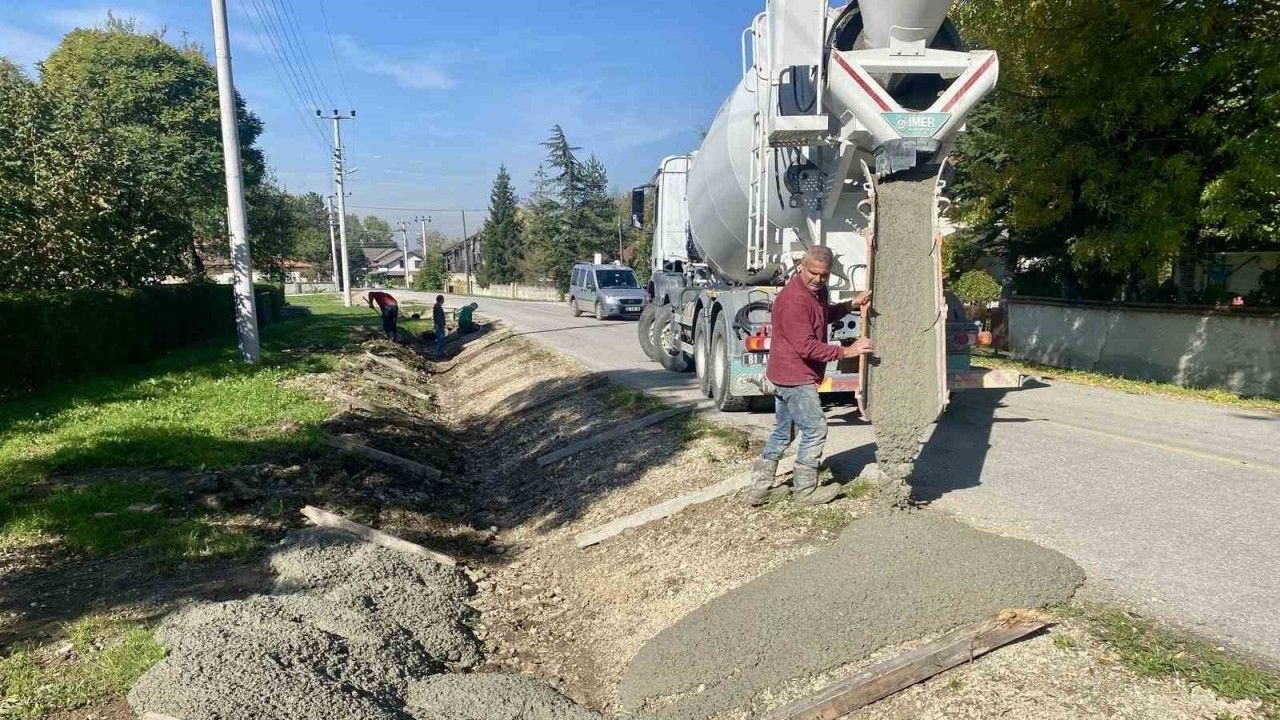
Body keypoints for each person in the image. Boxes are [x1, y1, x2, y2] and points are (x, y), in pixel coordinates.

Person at [749, 246, 873, 507]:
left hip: (785, 373)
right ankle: (805, 492)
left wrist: (850, 305)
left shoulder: (816, 291)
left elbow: (822, 315)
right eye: (812, 273)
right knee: (815, 429)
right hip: (795, 377)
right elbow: (806, 347)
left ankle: (760, 490)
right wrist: (848, 351)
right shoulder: (794, 300)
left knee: (784, 432)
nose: (818, 279)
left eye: (824, 275)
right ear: (801, 267)